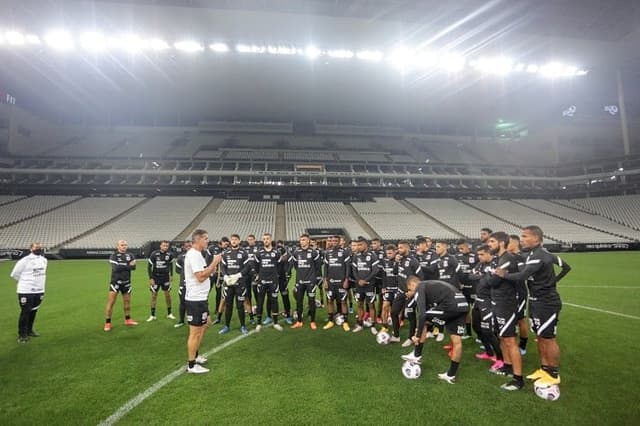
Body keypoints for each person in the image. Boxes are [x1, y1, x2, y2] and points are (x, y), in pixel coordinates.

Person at [494, 225, 571, 387]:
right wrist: (553, 281)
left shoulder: (540, 255)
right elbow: (565, 267)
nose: (521, 239)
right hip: (535, 300)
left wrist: (504, 274)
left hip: (547, 302)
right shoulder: (533, 254)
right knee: (540, 337)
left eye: (525, 236)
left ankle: (554, 373)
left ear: (536, 238)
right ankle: (544, 369)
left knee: (549, 338)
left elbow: (522, 275)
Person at [402, 277, 469, 384]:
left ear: (412, 284)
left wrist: (417, 335)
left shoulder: (420, 287)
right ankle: (451, 375)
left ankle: (416, 355)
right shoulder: (430, 284)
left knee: (424, 319)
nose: (410, 292)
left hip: (451, 305)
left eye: (409, 289)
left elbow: (422, 314)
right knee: (457, 341)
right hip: (463, 305)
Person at [487, 231, 524, 390]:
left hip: (506, 304)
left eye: (492, 241)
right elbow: (493, 279)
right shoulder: (500, 259)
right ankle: (508, 366)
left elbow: (493, 281)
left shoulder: (508, 258)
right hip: (498, 302)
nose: (489, 244)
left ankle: (518, 379)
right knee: (502, 336)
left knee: (510, 340)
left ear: (501, 243)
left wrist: (491, 276)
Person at [184, 229, 220, 374]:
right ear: (198, 240)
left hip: (201, 299)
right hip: (195, 300)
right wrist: (214, 263)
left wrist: (211, 268)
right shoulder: (193, 255)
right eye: (205, 238)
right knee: (195, 333)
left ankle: (196, 356)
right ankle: (192, 365)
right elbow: (200, 277)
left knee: (206, 324)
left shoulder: (198, 254)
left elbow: (203, 273)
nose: (207, 241)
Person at [469, 245, 504, 372]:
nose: (479, 257)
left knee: (488, 331)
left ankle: (500, 359)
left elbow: (493, 281)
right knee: (476, 327)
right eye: (478, 255)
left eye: (482, 254)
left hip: (489, 301)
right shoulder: (480, 264)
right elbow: (470, 276)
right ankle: (489, 352)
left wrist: (481, 276)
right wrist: (483, 276)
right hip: (478, 301)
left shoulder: (496, 263)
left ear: (489, 254)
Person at [10, 242, 47, 343]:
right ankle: (22, 335)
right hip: (26, 290)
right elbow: (15, 274)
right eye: (36, 247)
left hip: (39, 290)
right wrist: (23, 283)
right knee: (25, 312)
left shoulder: (44, 260)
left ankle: (30, 330)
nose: (38, 249)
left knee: (34, 311)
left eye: (39, 248)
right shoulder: (24, 261)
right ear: (31, 249)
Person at [219, 234, 251, 335]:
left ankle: (243, 326)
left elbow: (247, 267)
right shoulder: (226, 253)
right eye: (232, 239)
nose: (233, 241)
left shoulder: (244, 253)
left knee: (240, 306)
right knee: (228, 305)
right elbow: (223, 266)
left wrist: (238, 275)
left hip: (240, 283)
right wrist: (225, 276)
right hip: (229, 284)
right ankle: (227, 326)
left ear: (239, 241)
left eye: (235, 239)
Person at [288, 234, 322, 330]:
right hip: (300, 281)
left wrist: (315, 279)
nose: (301, 241)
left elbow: (318, 267)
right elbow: (295, 265)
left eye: (304, 240)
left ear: (308, 241)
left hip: (311, 282)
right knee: (299, 302)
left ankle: (312, 321)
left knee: (311, 302)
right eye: (301, 240)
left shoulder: (313, 252)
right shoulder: (296, 252)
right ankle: (299, 321)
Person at [104, 240, 138, 331]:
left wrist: (123, 265)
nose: (124, 246)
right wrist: (128, 265)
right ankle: (107, 323)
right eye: (122, 245)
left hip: (126, 283)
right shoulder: (113, 256)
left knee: (127, 303)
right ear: (117, 246)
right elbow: (116, 268)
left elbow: (134, 268)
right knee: (111, 303)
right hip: (115, 283)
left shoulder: (130, 255)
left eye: (125, 245)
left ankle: (127, 320)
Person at [391, 240, 421, 344]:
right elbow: (395, 272)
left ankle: (410, 337)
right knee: (394, 312)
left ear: (407, 248)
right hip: (400, 292)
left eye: (401, 248)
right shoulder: (399, 259)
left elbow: (421, 278)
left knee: (410, 316)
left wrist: (413, 292)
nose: (399, 250)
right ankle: (396, 335)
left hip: (410, 294)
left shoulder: (414, 261)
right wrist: (396, 262)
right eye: (398, 248)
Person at [254, 233, 284, 332]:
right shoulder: (259, 253)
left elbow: (280, 266)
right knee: (260, 302)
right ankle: (258, 323)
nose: (266, 240)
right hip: (262, 281)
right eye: (264, 239)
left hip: (273, 281)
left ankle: (275, 323)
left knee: (274, 301)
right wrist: (258, 275)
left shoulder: (276, 252)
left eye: (267, 239)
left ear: (271, 240)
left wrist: (276, 275)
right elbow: (256, 266)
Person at [351, 237, 380, 334]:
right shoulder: (356, 256)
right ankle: (359, 324)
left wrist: (365, 280)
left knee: (371, 305)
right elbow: (354, 270)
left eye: (360, 245)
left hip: (369, 285)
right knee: (359, 304)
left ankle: (372, 325)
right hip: (359, 285)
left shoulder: (372, 255)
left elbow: (375, 270)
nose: (358, 247)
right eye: (357, 245)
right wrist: (359, 280)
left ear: (366, 245)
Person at [322, 235, 351, 330]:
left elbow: (347, 267)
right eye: (332, 241)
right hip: (330, 282)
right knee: (330, 301)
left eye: (335, 241)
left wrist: (346, 280)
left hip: (341, 282)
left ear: (339, 242)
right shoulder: (328, 253)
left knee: (343, 301)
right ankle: (330, 321)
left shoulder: (344, 252)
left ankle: (345, 322)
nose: (333, 242)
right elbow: (325, 267)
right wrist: (325, 280)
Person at [508, 234, 529, 355]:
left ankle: (523, 345)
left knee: (520, 319)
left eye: (509, 242)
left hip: (519, 292)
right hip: (509, 293)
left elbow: (523, 274)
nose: (506, 245)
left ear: (516, 243)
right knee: (511, 319)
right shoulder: (508, 256)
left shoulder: (521, 257)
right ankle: (512, 343)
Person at [146, 240, 175, 322]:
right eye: (164, 245)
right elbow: (149, 267)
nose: (165, 247)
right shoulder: (154, 254)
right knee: (154, 295)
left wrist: (171, 275)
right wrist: (151, 278)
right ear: (160, 246)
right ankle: (152, 315)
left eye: (167, 246)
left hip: (165, 278)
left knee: (167, 295)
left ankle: (169, 313)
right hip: (156, 277)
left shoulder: (170, 255)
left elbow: (171, 265)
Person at [455, 239, 477, 339]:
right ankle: (468, 333)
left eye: (462, 248)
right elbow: (456, 272)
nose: (460, 250)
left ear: (467, 246)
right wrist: (459, 283)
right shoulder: (457, 256)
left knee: (478, 311)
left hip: (475, 287)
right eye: (459, 248)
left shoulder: (476, 255)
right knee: (465, 310)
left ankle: (481, 334)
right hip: (463, 287)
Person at [174, 240, 192, 328]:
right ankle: (181, 320)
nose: (188, 247)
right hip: (184, 283)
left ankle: (191, 319)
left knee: (192, 303)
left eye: (190, 245)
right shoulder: (181, 257)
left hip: (194, 285)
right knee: (182, 302)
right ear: (184, 247)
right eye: (187, 246)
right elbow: (177, 270)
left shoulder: (197, 255)